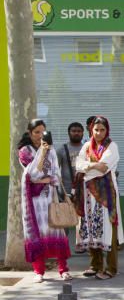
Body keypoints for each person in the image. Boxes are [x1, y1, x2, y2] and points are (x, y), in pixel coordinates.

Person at [18, 119, 71, 282]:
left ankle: (63, 269)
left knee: (57, 230)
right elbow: (32, 174)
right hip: (33, 201)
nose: (40, 135)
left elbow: (55, 174)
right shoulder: (24, 151)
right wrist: (42, 152)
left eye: (43, 132)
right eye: (36, 132)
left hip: (50, 198)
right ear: (29, 133)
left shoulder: (52, 150)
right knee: (36, 233)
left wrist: (48, 179)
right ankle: (39, 271)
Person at [76, 116, 124, 280]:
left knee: (109, 229)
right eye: (96, 130)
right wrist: (92, 165)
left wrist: (88, 166)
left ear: (107, 130)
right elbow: (78, 165)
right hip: (88, 195)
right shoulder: (87, 145)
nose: (99, 133)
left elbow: (104, 168)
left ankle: (111, 268)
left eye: (102, 130)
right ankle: (95, 265)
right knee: (90, 228)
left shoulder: (112, 146)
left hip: (106, 194)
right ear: (91, 130)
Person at [58, 122, 86, 252]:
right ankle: (63, 247)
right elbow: (55, 170)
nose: (76, 133)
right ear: (69, 132)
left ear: (83, 133)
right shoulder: (62, 149)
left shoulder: (87, 148)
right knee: (65, 220)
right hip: (66, 190)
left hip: (84, 188)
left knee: (82, 217)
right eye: (73, 131)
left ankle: (80, 245)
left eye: (79, 131)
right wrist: (59, 189)